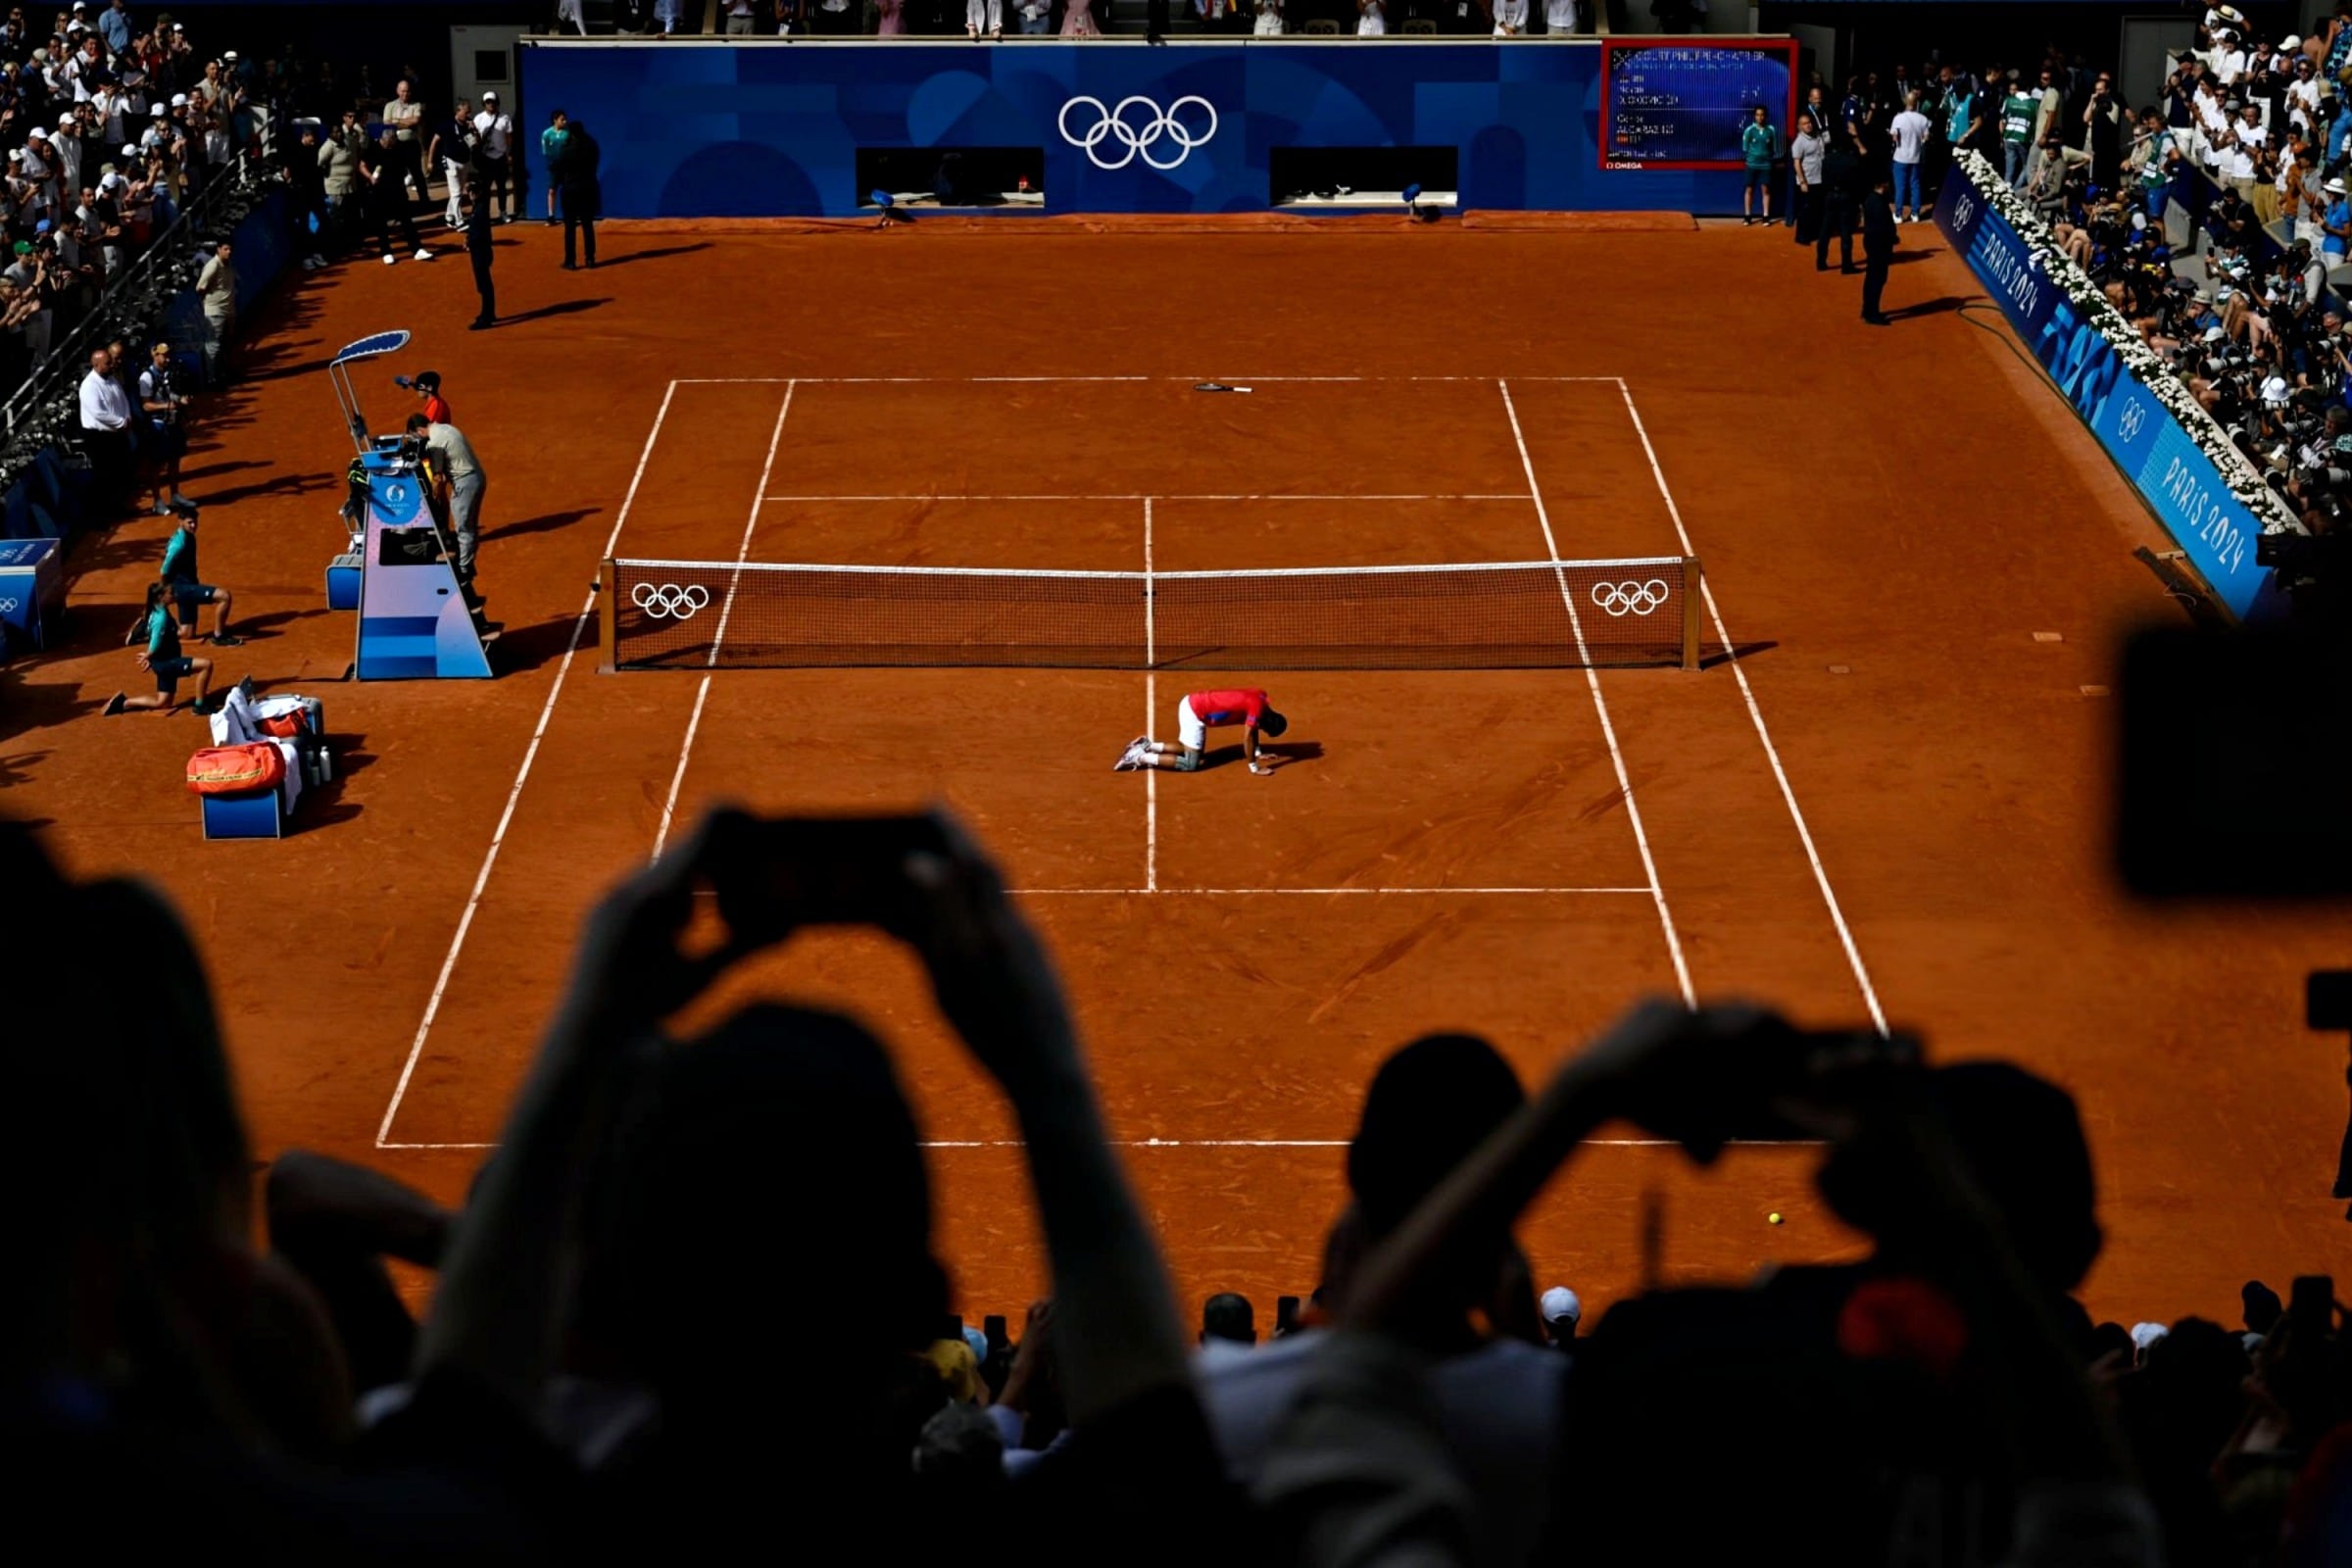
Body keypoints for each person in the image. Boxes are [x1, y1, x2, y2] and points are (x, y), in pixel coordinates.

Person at [102, 579, 216, 714]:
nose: (174, 594)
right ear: (161, 597)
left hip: (163, 661)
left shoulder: (155, 610)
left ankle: (123, 703)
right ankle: (200, 706)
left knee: (163, 703)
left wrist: (151, 657)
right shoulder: (161, 618)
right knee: (206, 665)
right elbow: (156, 640)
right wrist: (149, 655)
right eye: (171, 593)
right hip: (167, 663)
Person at [1118, 688, 1288, 774]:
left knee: (1188, 750)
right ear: (1267, 721)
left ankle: (1148, 745)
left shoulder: (1261, 699)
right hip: (1196, 713)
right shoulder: (1257, 709)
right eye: (1265, 728)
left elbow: (1255, 726)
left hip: (1192, 702)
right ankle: (1140, 756)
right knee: (1191, 764)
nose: (1261, 729)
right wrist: (1254, 766)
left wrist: (1257, 752)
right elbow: (1248, 735)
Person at [407, 411, 486, 591]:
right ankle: (467, 563)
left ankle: (464, 569)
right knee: (468, 525)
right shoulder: (445, 428)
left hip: (466, 483)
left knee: (463, 527)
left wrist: (434, 499)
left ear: (419, 430)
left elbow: (438, 478)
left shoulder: (435, 441)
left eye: (415, 436)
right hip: (475, 478)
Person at [158, 502, 238, 647]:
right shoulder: (179, 544)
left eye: (195, 522)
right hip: (183, 588)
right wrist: (165, 590)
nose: (193, 525)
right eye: (190, 522)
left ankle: (146, 630)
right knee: (224, 597)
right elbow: (164, 570)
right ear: (180, 521)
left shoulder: (188, 536)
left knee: (187, 634)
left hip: (188, 585)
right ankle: (218, 637)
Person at [77, 343, 130, 512]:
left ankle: (117, 508)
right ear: (96, 364)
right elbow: (98, 413)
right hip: (98, 438)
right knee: (102, 476)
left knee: (119, 473)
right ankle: (100, 515)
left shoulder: (112, 379)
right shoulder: (89, 386)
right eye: (108, 363)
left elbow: (122, 399)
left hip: (116, 434)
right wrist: (122, 422)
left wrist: (127, 416)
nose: (112, 365)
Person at [137, 340, 188, 515]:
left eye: (168, 355)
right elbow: (146, 406)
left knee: (175, 459)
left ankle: (175, 495)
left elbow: (170, 394)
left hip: (173, 423)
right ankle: (157, 501)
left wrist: (180, 400)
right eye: (164, 355)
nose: (167, 358)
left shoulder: (168, 373)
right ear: (155, 355)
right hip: (158, 426)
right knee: (157, 465)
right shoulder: (146, 377)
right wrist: (168, 406)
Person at [559, 116, 600, 270]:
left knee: (570, 227)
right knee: (587, 225)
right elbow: (595, 164)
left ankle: (571, 261)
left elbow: (560, 169)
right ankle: (590, 259)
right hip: (588, 189)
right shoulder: (592, 145)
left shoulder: (566, 148)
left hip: (570, 190)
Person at [1861, 171, 1896, 324]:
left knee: (1872, 278)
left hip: (1872, 242)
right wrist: (1892, 238)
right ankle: (1872, 312)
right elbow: (1883, 227)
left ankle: (1868, 309)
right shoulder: (1879, 204)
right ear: (1883, 185)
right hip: (1879, 245)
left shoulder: (1870, 199)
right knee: (1877, 279)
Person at [1887, 90, 1931, 221]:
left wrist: (1892, 134)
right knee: (1915, 185)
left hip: (1900, 157)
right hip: (1915, 157)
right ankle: (1915, 214)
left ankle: (1899, 214)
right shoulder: (1923, 119)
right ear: (1916, 103)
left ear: (1906, 102)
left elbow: (1894, 138)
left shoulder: (1898, 118)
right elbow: (1926, 137)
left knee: (1900, 186)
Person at [471, 91, 514, 222]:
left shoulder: (504, 118)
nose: (491, 104)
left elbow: (509, 137)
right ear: (484, 104)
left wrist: (509, 154)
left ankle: (503, 212)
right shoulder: (478, 118)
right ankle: (485, 214)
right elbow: (475, 139)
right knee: (485, 188)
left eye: (493, 102)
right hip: (486, 158)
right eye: (488, 102)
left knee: (502, 187)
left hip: (500, 157)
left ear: (497, 103)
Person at [1789, 112, 1827, 244]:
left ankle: (1813, 233)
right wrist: (1803, 182)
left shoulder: (1817, 137)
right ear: (1799, 127)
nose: (1808, 125)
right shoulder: (1799, 142)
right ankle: (1801, 236)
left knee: (1817, 208)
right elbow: (1797, 163)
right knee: (1805, 210)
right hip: (1807, 181)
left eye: (1809, 122)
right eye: (1805, 124)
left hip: (1819, 179)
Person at [464, 180, 495, 329]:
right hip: (480, 250)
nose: (471, 194)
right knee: (484, 283)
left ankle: (486, 317)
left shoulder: (480, 210)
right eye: (470, 191)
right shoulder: (479, 207)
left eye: (473, 191)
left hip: (481, 251)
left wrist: (469, 242)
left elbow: (478, 232)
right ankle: (489, 313)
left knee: (484, 284)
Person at [1740, 104, 1776, 224]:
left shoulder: (1771, 130)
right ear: (1754, 116)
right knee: (1749, 189)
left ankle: (1766, 216)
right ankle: (1747, 216)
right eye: (1757, 115)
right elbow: (1745, 148)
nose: (1760, 117)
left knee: (1765, 190)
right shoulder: (1749, 130)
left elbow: (1774, 147)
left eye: (1762, 115)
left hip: (1766, 165)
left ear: (1765, 116)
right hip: (1751, 165)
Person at [539, 108, 569, 228]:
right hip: (553, 168)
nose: (565, 122)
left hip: (566, 168)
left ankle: (569, 215)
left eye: (565, 119)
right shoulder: (546, 134)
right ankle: (551, 216)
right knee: (552, 191)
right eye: (562, 119)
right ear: (555, 120)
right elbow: (545, 151)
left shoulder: (568, 133)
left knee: (567, 192)